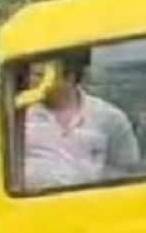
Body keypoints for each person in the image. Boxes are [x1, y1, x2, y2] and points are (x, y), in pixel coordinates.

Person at [21, 49, 139, 191]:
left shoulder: (110, 118)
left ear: (69, 77)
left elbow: (126, 170)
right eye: (32, 74)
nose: (32, 81)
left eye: (40, 75)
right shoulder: (18, 116)